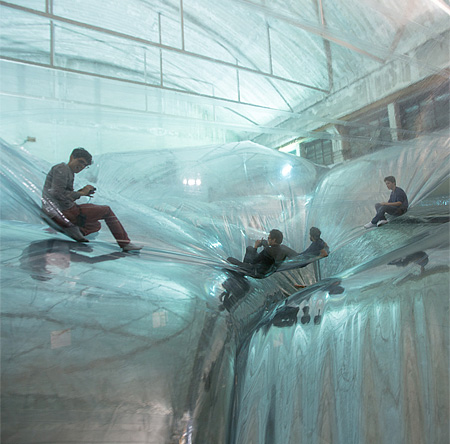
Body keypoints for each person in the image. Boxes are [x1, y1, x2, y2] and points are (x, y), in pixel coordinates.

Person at [42, 147, 142, 251]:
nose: (81, 166)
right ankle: (125, 244)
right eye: (80, 162)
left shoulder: (69, 172)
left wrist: (82, 192)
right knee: (106, 210)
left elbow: (64, 196)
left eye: (84, 165)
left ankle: (74, 230)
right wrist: (81, 193)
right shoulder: (62, 169)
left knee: (96, 225)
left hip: (61, 210)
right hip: (60, 212)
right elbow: (57, 194)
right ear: (72, 157)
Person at [227, 229, 298, 277]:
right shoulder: (284, 248)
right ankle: (243, 269)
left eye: (269, 238)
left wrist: (256, 247)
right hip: (268, 270)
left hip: (257, 272)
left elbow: (253, 261)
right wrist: (264, 245)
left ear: (274, 240)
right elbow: (295, 256)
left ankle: (242, 272)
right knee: (249, 248)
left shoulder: (268, 251)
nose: (268, 240)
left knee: (229, 259)